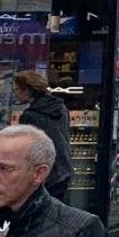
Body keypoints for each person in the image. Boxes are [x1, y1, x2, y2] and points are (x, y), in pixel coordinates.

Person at [12, 71, 74, 203]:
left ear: (27, 90)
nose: (16, 93)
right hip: (64, 168)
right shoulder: (61, 108)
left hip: (46, 173)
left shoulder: (30, 115)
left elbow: (28, 148)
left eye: (17, 89)